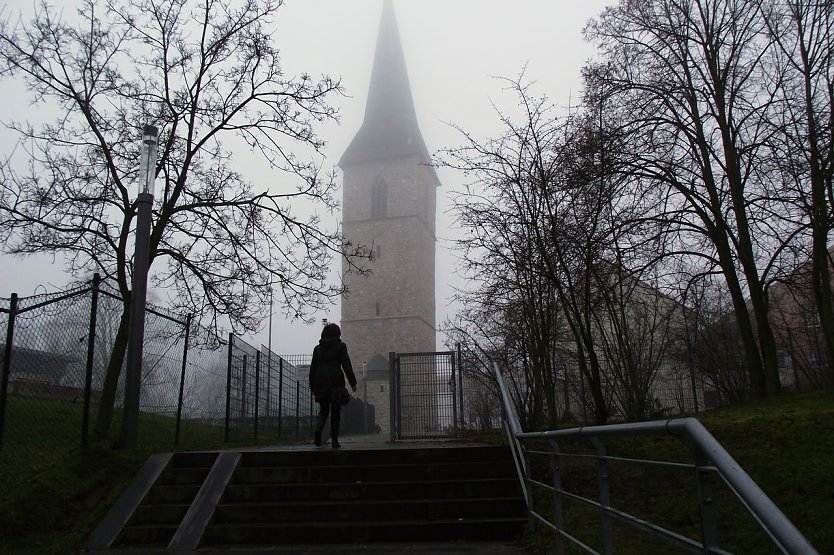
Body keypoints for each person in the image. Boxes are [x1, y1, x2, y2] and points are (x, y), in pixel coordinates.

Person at [308, 323, 357, 448]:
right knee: (336, 412)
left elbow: (313, 368)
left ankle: (318, 429)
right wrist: (353, 383)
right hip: (336, 383)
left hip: (321, 384)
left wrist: (312, 385)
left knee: (324, 410)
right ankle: (335, 440)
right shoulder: (341, 346)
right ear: (337, 334)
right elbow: (346, 365)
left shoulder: (317, 349)